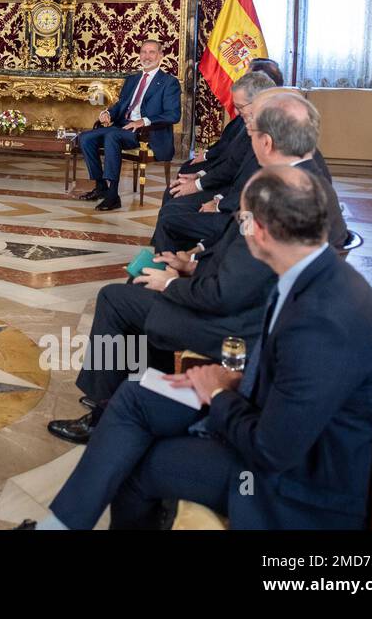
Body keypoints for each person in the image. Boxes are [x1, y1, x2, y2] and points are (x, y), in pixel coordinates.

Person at [0, 166, 372, 530]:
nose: (238, 230)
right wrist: (236, 379)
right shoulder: (306, 273)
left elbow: (273, 448)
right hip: (258, 408)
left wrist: (218, 392)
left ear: (263, 231)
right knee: (134, 399)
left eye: (242, 221)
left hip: (293, 486)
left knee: (143, 462)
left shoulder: (324, 322)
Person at [48, 84, 335, 445]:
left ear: (267, 141)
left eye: (252, 125)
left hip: (239, 328)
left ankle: (106, 410)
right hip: (240, 304)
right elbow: (241, 257)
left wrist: (173, 283)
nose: (246, 130)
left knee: (117, 299)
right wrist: (191, 260)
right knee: (138, 283)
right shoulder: (299, 176)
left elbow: (230, 291)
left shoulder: (284, 192)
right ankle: (139, 397)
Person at [152, 92, 347, 254]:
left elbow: (245, 256)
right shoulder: (292, 173)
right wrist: (199, 252)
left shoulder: (286, 193)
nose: (248, 135)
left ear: (267, 142)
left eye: (253, 129)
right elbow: (244, 228)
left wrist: (178, 276)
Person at [77, 40, 181, 211]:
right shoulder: (132, 79)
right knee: (86, 137)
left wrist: (143, 121)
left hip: (146, 132)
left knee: (112, 136)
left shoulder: (169, 82)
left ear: (161, 56)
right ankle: (101, 186)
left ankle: (113, 195)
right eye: (144, 52)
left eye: (152, 52)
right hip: (123, 126)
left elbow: (173, 115)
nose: (147, 56)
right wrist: (109, 113)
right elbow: (121, 105)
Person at [163, 70, 275, 206]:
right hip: (226, 186)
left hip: (233, 198)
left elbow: (239, 174)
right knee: (173, 193)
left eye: (240, 107)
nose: (235, 112)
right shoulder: (248, 121)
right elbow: (228, 152)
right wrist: (200, 175)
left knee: (173, 209)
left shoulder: (264, 130)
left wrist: (217, 202)